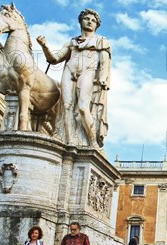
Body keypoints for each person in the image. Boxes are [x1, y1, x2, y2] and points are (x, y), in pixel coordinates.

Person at [37, 8, 111, 148]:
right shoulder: (71, 42)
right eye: (87, 19)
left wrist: (102, 78)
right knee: (66, 107)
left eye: (93, 21)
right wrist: (45, 46)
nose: (90, 22)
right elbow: (54, 59)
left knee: (83, 108)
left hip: (88, 72)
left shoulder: (101, 41)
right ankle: (69, 141)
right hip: (69, 72)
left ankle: (93, 141)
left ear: (96, 25)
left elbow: (104, 62)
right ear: (81, 21)